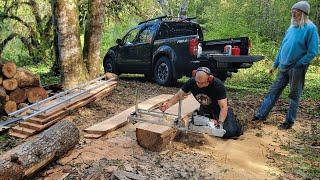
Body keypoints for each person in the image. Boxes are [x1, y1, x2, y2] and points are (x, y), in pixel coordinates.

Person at [253, 1, 319, 129]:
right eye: (292, 11)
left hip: (297, 68)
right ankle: (260, 115)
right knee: (273, 91)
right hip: (283, 67)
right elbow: (282, 47)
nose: (293, 13)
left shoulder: (310, 28)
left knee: (294, 94)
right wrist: (274, 65)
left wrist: (299, 64)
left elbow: (313, 52)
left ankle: (289, 121)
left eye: (297, 11)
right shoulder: (291, 27)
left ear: (304, 13)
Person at [160, 67, 242, 138]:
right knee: (196, 126)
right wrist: (167, 105)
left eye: (202, 83)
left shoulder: (217, 85)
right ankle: (210, 121)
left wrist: (220, 123)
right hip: (206, 109)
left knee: (229, 132)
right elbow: (179, 95)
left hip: (220, 111)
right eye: (197, 82)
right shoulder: (191, 82)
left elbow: (223, 107)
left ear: (209, 79)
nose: (199, 85)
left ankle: (235, 124)